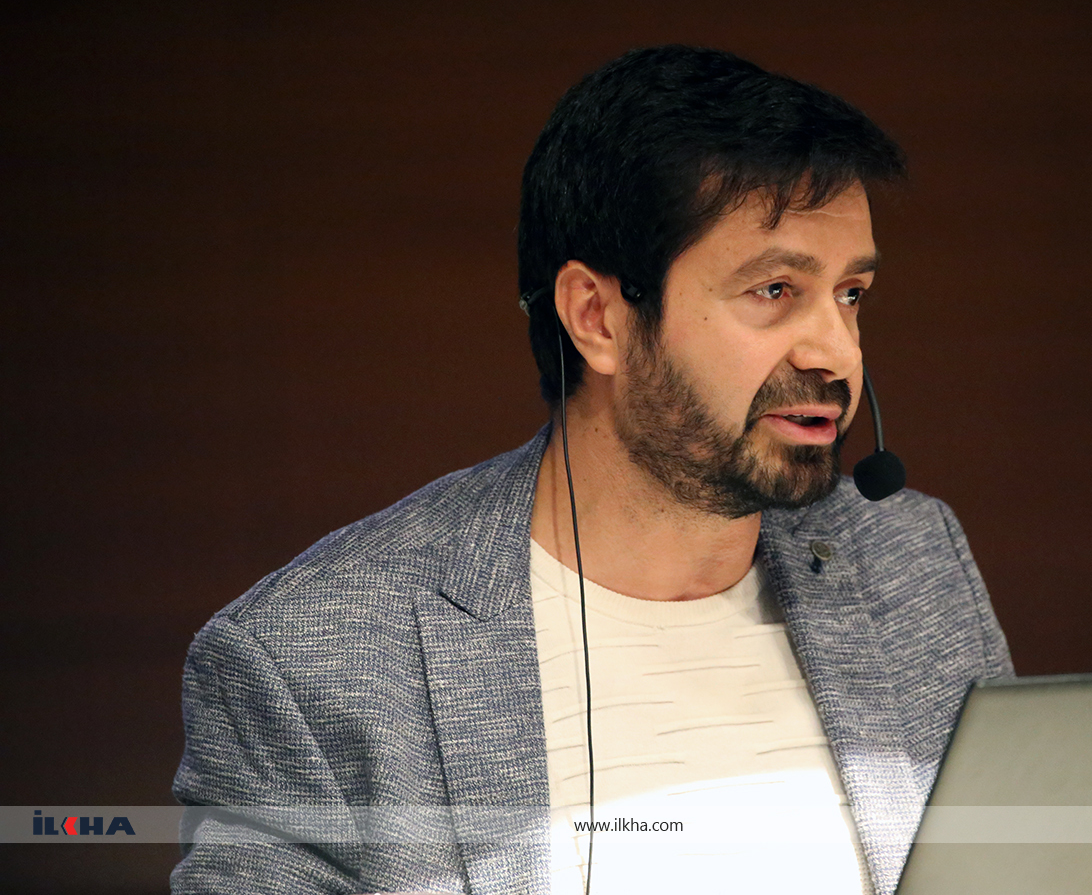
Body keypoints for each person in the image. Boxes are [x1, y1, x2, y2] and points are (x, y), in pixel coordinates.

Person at [171, 45, 1012, 895]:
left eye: (850, 295)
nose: (837, 352)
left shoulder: (908, 559)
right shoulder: (314, 661)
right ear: (597, 318)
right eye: (774, 291)